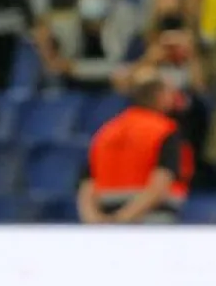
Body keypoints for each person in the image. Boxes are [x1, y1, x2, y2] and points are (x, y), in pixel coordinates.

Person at [78, 67, 194, 224]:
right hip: (151, 218)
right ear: (160, 96)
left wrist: (93, 220)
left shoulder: (107, 130)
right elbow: (160, 184)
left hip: (105, 218)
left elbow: (88, 184)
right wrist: (123, 219)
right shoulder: (164, 130)